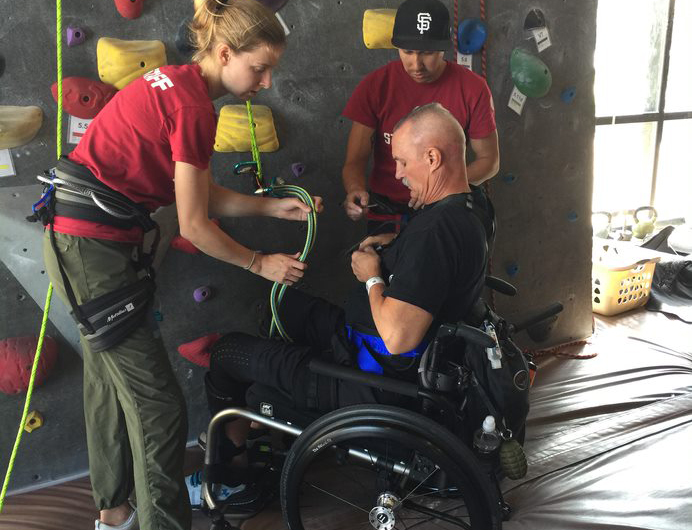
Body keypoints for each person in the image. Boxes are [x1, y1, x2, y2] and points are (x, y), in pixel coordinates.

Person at [38, 1, 322, 529]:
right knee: (161, 409)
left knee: (106, 381)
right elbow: (192, 224)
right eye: (258, 67)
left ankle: (114, 513)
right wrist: (260, 263)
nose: (264, 82)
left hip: (84, 244)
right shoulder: (195, 109)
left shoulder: (174, 82)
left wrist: (268, 206)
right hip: (92, 249)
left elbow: (194, 191)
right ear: (223, 52)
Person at [191, 103, 492, 511]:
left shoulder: (436, 232)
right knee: (282, 310)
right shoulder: (470, 207)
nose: (398, 173)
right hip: (379, 348)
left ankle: (232, 483)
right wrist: (394, 251)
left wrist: (372, 275)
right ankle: (276, 404)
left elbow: (399, 337)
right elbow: (436, 271)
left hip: (378, 379)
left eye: (403, 162)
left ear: (433, 158)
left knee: (227, 353)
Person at [342, 0, 498, 232]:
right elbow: (354, 161)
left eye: (427, 53)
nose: (416, 64)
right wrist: (355, 189)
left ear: (444, 48)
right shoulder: (375, 86)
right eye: (408, 52)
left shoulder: (473, 88)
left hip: (445, 208)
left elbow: (490, 161)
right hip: (387, 211)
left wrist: (439, 189)